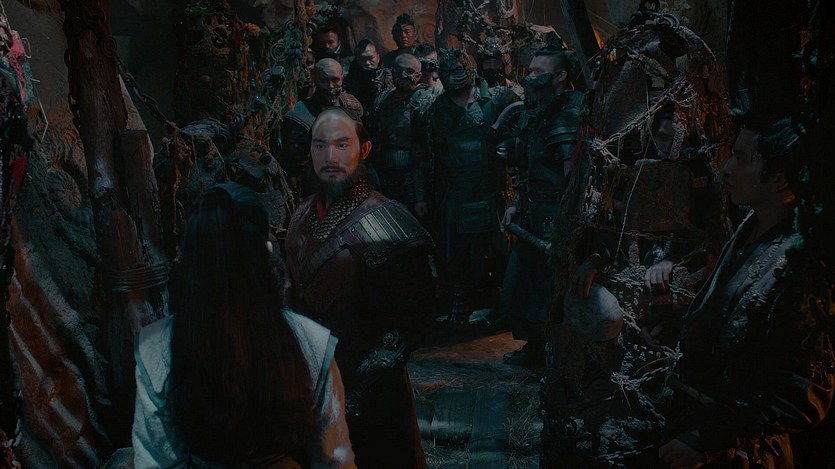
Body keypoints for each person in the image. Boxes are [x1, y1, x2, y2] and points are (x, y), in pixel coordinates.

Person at [132, 183, 355, 468]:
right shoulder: (312, 342)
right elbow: (334, 459)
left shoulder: (155, 348)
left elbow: (156, 460)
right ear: (266, 252)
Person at [658, 118, 835, 468]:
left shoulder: (801, 266)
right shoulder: (751, 227)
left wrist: (709, 439)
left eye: (740, 158)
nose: (726, 169)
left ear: (779, 178)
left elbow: (805, 396)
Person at [284, 108, 434, 468]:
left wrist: (355, 395)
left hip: (370, 396)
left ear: (364, 149)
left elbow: (409, 323)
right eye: (320, 146)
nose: (330, 157)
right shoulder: (302, 214)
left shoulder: (387, 221)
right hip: (309, 386)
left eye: (341, 145)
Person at [499, 46, 584, 365]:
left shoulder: (567, 116)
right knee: (525, 288)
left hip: (555, 221)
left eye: (539, 71)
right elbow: (528, 170)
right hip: (532, 216)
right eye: (530, 70)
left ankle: (556, 354)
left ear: (560, 76)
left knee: (550, 291)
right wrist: (516, 205)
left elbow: (573, 180)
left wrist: (567, 225)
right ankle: (536, 347)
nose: (530, 77)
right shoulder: (538, 114)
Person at [422, 48, 518, 323]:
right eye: (445, 72)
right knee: (456, 252)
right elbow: (428, 156)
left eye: (457, 70)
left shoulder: (498, 99)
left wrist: (511, 147)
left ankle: (501, 304)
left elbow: (525, 136)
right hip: (456, 190)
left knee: (499, 250)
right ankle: (462, 302)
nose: (451, 76)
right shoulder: (434, 110)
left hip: (493, 188)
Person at [281, 58, 363, 198]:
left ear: (342, 78)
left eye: (335, 80)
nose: (330, 86)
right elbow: (295, 168)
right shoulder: (300, 117)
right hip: (318, 186)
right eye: (324, 81)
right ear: (314, 79)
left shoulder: (352, 107)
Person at [368, 53, 436, 218]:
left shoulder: (426, 101)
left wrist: (420, 196)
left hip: (414, 178)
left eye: (409, 71)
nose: (403, 75)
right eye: (398, 70)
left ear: (418, 75)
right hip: (384, 177)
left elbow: (427, 151)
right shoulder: (383, 99)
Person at [343, 39, 393, 119]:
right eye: (363, 59)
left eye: (371, 58)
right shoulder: (351, 81)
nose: (367, 63)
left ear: (378, 57)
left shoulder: (390, 76)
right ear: (357, 60)